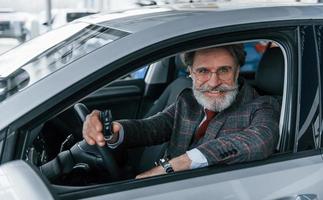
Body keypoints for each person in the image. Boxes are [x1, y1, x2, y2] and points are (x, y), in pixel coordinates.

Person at [83, 44, 281, 179]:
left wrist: (178, 164)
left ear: (237, 71)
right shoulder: (188, 101)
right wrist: (116, 130)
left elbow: (260, 141)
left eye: (224, 70)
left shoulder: (261, 105)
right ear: (191, 73)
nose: (213, 83)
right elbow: (152, 127)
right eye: (203, 71)